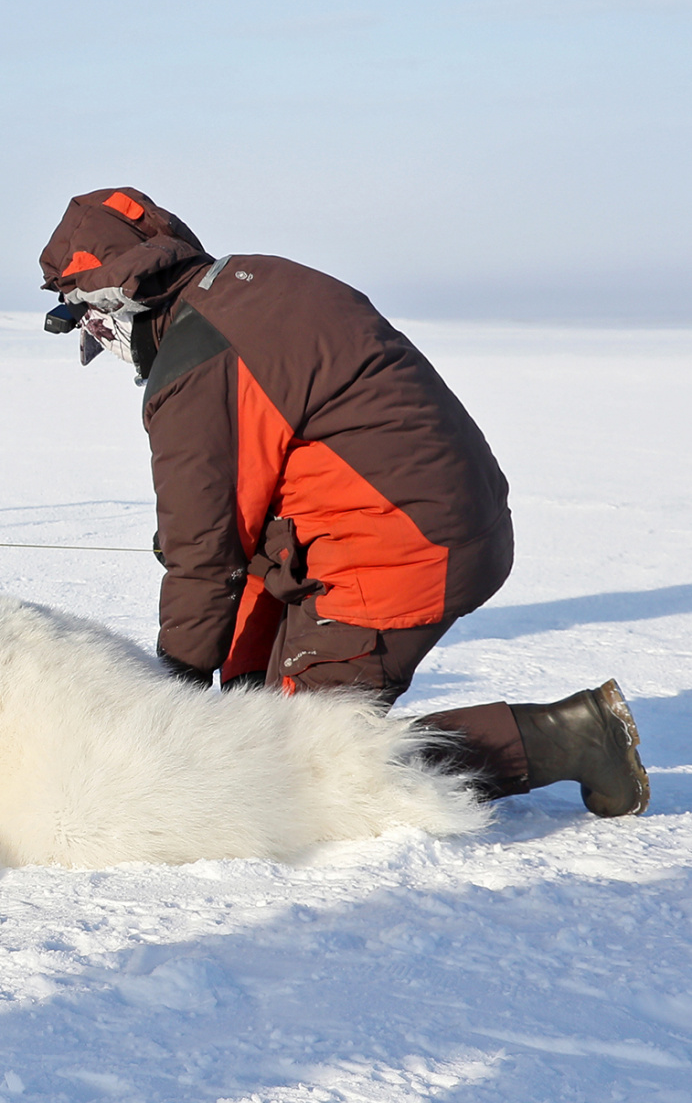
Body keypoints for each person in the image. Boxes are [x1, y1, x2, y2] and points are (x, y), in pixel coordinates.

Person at [38, 186, 648, 817]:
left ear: (112, 304)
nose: (101, 346)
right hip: (440, 516)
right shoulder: (258, 282)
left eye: (88, 327)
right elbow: (253, 500)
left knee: (292, 767)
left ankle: (571, 739)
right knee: (254, 713)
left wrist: (172, 705)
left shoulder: (195, 368)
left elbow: (204, 555)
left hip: (401, 551)